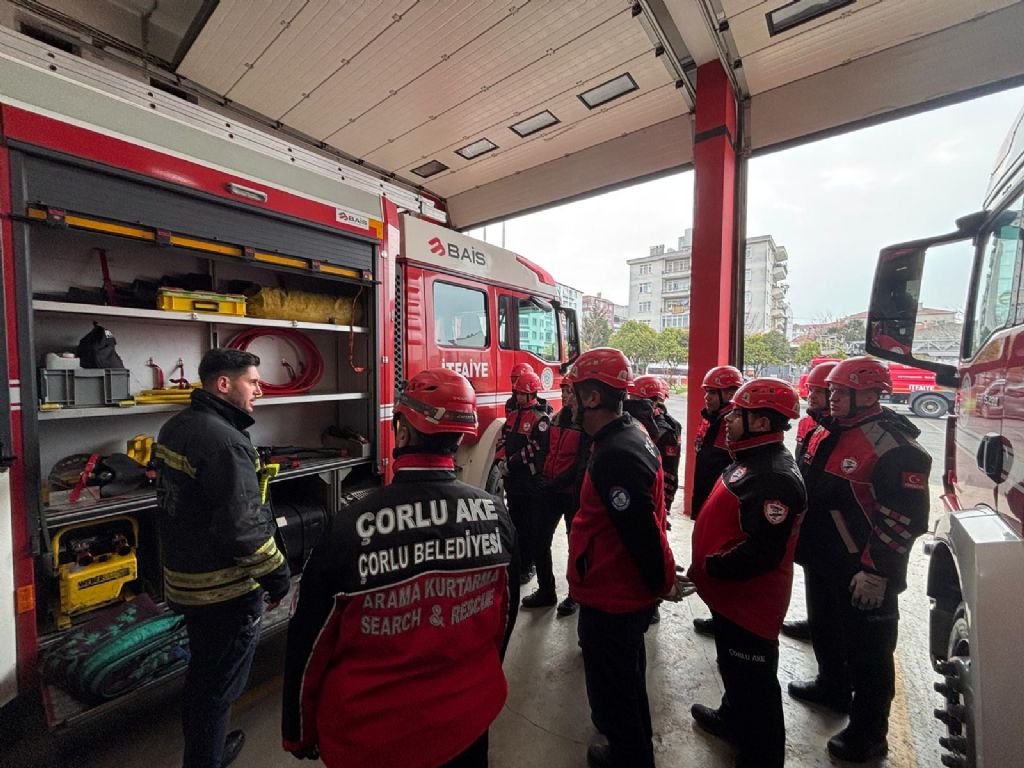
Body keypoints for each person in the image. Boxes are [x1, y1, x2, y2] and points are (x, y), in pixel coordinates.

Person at [281, 368, 518, 768]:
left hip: (376, 741)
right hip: (470, 721)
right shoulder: (496, 515)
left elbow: (308, 643)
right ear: (461, 436)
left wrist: (297, 731)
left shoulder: (350, 529)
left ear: (403, 432)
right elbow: (503, 617)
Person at [788, 357, 930, 762]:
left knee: (870, 655)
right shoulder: (830, 430)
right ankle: (832, 686)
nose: (831, 398)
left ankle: (869, 733)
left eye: (840, 392)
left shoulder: (896, 448)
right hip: (823, 558)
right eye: (830, 391)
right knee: (827, 629)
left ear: (868, 395)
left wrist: (876, 572)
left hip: (862, 571)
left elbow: (903, 519)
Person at [154, 348, 290, 768]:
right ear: (223, 384)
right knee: (219, 688)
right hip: (225, 592)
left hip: (188, 580)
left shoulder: (177, 427)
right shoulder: (226, 442)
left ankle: (206, 747)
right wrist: (278, 577)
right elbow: (243, 531)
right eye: (253, 382)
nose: (260, 390)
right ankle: (206, 759)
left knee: (204, 677)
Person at [566, 348, 690, 768]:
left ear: (593, 397)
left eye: (574, 392)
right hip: (616, 590)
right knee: (628, 679)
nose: (568, 400)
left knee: (617, 688)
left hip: (613, 597)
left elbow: (641, 532)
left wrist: (663, 580)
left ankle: (630, 757)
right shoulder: (627, 433)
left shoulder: (616, 453)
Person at [688, 378, 806, 768]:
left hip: (750, 605)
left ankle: (762, 756)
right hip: (729, 598)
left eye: (738, 414)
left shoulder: (774, 476)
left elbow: (762, 554)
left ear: (761, 423)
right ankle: (732, 719)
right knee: (734, 669)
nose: (729, 419)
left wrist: (709, 567)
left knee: (756, 686)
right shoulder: (751, 459)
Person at [781, 359, 837, 642]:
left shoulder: (843, 431)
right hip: (810, 511)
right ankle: (816, 623)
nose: (811, 396)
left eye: (818, 391)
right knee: (813, 572)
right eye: (810, 390)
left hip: (834, 522)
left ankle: (826, 627)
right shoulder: (809, 424)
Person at [528, 372, 586, 614]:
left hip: (571, 494)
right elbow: (544, 450)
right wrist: (541, 475)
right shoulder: (554, 420)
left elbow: (581, 463)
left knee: (576, 546)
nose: (565, 395)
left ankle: (575, 595)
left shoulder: (585, 426)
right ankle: (546, 591)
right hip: (549, 491)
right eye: (563, 390)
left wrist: (557, 482)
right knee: (539, 540)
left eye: (570, 391)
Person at [691, 364, 743, 636]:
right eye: (707, 392)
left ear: (730, 393)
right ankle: (718, 615)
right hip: (706, 499)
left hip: (722, 505)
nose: (707, 398)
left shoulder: (734, 423)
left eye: (713, 392)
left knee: (721, 562)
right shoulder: (711, 419)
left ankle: (727, 621)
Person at [500, 369, 551, 587]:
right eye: (517, 393)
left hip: (529, 482)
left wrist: (512, 462)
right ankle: (517, 563)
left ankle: (528, 566)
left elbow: (536, 447)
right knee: (514, 523)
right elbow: (504, 438)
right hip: (513, 482)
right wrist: (500, 460)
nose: (518, 397)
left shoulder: (541, 419)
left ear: (531, 394)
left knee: (529, 527)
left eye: (522, 393)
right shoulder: (513, 415)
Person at [630, 375, 682, 514]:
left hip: (650, 498)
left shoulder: (664, 430)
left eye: (632, 397)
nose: (629, 400)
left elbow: (668, 473)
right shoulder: (665, 424)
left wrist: (664, 507)